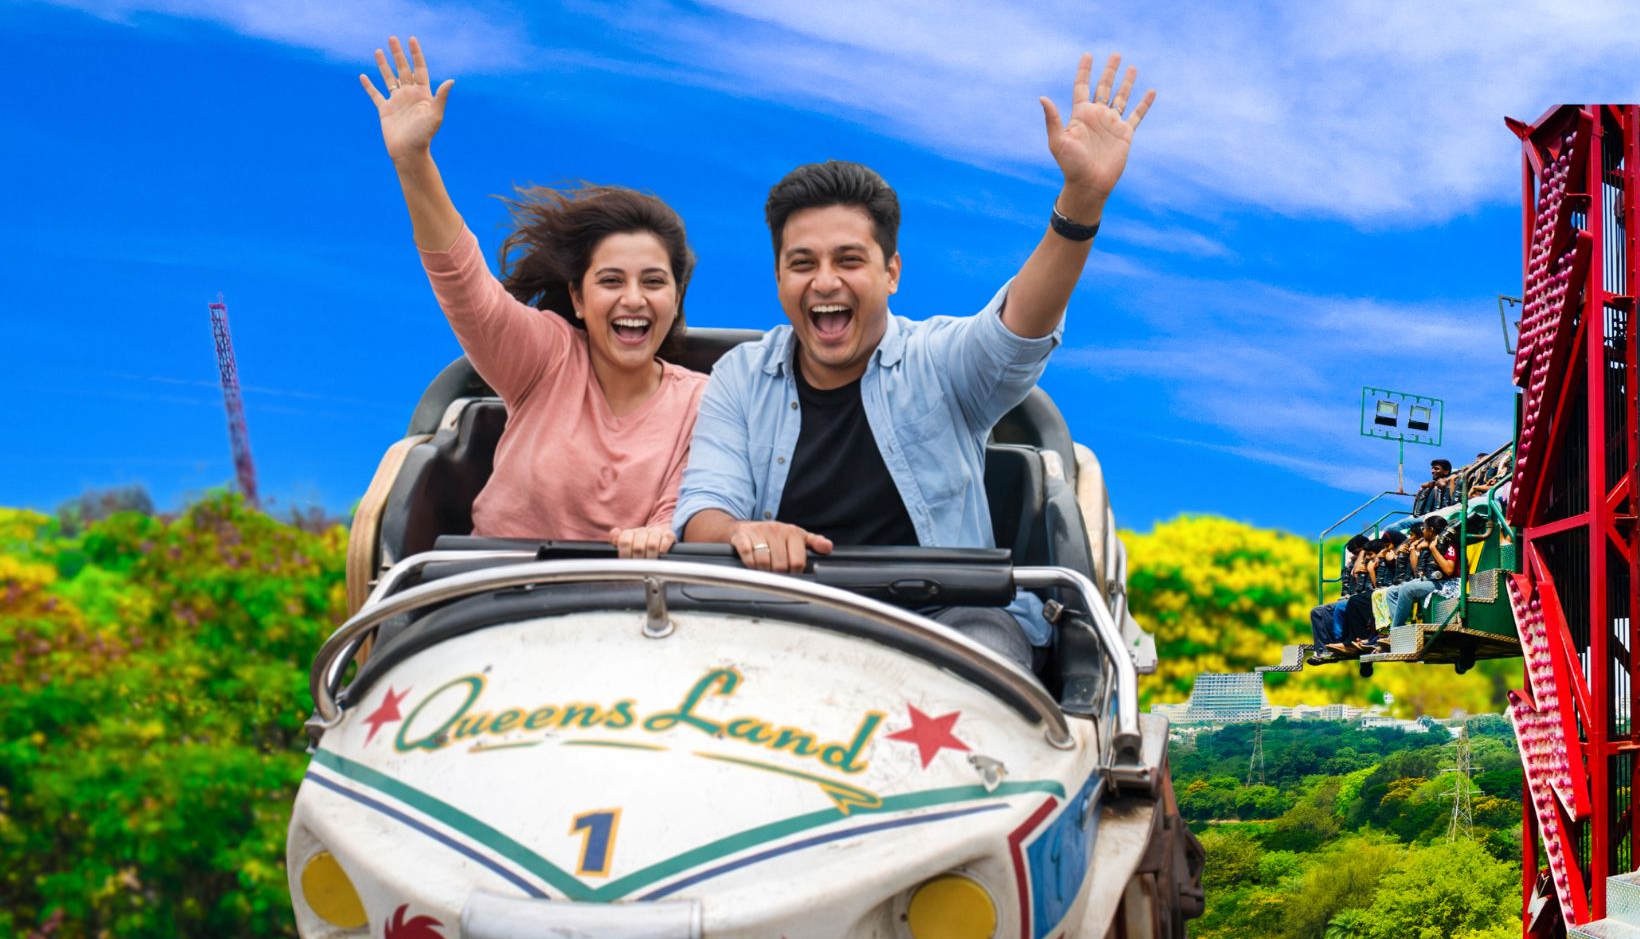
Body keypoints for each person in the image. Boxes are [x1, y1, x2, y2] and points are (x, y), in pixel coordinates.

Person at [673, 56, 1157, 657]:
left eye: (849, 261)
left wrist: (1081, 201)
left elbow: (1018, 328)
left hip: (947, 623)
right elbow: (703, 511)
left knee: (990, 649)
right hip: (786, 621)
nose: (825, 282)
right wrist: (742, 533)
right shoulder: (741, 377)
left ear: (891, 273)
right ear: (778, 279)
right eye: (803, 264)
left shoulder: (937, 359)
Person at [362, 38, 703, 555]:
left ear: (676, 298)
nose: (633, 298)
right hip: (497, 597)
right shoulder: (547, 356)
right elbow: (464, 283)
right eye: (611, 281)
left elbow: (686, 502)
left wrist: (660, 532)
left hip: (634, 604)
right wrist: (414, 161)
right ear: (579, 297)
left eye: (653, 282)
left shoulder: (703, 400)